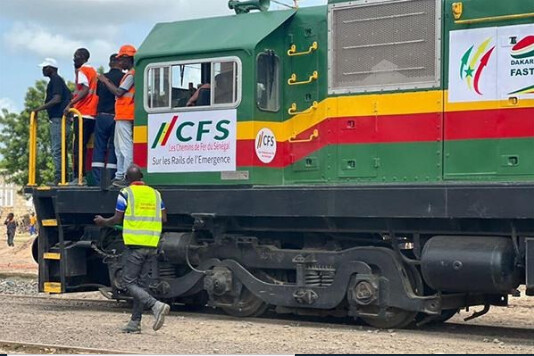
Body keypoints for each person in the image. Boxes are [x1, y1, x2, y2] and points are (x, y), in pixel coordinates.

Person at [94, 164, 170, 333]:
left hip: (135, 245)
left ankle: (155, 305)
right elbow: (164, 218)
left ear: (127, 179)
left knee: (128, 283)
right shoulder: (155, 194)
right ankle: (134, 323)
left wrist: (102, 221)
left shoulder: (126, 193)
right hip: (151, 244)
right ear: (142, 177)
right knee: (141, 286)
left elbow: (116, 219)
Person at [98, 45, 136, 188]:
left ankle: (126, 176)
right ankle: (120, 175)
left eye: (121, 59)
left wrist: (105, 80)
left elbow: (119, 92)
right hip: (122, 115)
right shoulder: (131, 74)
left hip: (126, 114)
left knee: (125, 147)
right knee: (119, 147)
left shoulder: (132, 74)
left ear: (127, 58)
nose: (120, 63)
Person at [32, 58, 72, 185]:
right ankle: (62, 176)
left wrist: (39, 109)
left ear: (51, 68)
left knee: (57, 149)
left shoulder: (56, 80)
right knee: (60, 148)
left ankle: (59, 177)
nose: (43, 70)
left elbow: (56, 99)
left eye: (45, 67)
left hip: (58, 119)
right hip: (60, 119)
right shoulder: (58, 81)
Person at [64, 48, 99, 185]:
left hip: (82, 112)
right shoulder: (93, 72)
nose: (74, 59)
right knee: (85, 146)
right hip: (92, 113)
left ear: (82, 57)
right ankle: (82, 175)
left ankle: (79, 176)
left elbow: (84, 90)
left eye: (76, 56)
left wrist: (70, 104)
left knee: (78, 147)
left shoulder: (83, 71)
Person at [92, 54, 124, 186]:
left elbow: (98, 95)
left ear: (110, 63)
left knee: (99, 146)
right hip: (117, 117)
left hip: (102, 116)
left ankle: (97, 179)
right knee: (114, 147)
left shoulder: (102, 78)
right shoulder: (124, 78)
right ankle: (111, 177)